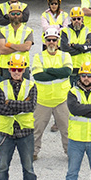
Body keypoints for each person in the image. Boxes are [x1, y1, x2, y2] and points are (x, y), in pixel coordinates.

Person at [0, 55, 39, 180]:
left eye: (20, 69)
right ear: (9, 69)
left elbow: (31, 107)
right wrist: (21, 105)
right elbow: (0, 108)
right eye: (14, 69)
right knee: (3, 168)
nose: (17, 72)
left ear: (24, 69)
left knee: (29, 168)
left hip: (25, 132)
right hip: (6, 132)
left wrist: (10, 103)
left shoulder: (31, 85)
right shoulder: (1, 86)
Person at [31, 26, 72, 160]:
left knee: (67, 130)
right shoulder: (38, 57)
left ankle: (70, 152)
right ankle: (33, 152)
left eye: (54, 40)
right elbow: (38, 76)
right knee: (36, 130)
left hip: (62, 100)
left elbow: (67, 72)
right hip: (43, 101)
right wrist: (57, 73)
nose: (51, 42)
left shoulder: (66, 56)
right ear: (45, 41)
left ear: (58, 41)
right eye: (49, 40)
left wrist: (48, 70)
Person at [0, 6, 34, 76]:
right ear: (9, 15)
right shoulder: (3, 30)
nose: (15, 16)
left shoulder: (28, 31)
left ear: (22, 15)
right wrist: (20, 47)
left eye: (18, 14)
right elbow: (2, 50)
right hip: (6, 67)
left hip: (22, 67)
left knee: (25, 86)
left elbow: (27, 47)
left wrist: (10, 45)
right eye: (13, 14)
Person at [61, 7, 91, 83]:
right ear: (71, 20)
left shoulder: (87, 31)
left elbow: (90, 46)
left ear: (82, 19)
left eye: (78, 19)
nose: (76, 21)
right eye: (74, 19)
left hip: (84, 68)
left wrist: (74, 46)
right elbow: (64, 48)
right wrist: (82, 50)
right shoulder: (65, 31)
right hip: (69, 67)